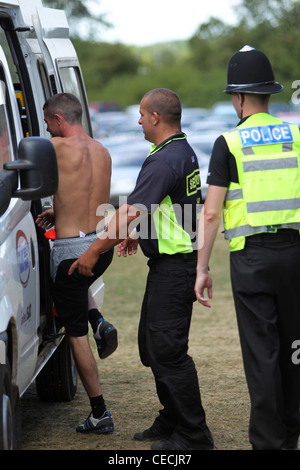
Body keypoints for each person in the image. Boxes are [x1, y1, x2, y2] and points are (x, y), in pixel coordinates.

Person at [69, 88, 214, 450]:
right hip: (169, 262)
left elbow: (131, 210)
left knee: (168, 351)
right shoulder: (179, 151)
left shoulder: (166, 159)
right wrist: (139, 231)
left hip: (176, 267)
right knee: (152, 347)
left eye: (141, 114)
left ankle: (195, 435)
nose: (137, 120)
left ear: (155, 118)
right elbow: (162, 207)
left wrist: (92, 253)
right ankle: (172, 417)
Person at [195, 45, 300, 450]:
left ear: (238, 97)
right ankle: (291, 432)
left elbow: (210, 213)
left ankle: (268, 442)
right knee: (294, 346)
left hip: (252, 259)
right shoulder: (294, 135)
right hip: (294, 255)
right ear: (269, 94)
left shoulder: (229, 143)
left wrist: (202, 268)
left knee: (262, 352)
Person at [36, 93, 117, 434]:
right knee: (77, 292)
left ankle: (99, 412)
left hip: (70, 250)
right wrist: (61, 211)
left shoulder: (52, 148)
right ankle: (98, 321)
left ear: (58, 120)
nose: (46, 128)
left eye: (47, 122)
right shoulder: (103, 150)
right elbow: (89, 195)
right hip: (100, 247)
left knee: (74, 333)